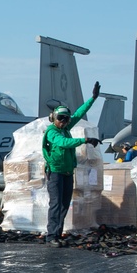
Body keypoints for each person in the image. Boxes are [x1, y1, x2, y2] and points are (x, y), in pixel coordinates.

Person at [41, 81, 101, 247]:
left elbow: (79, 113)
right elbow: (64, 143)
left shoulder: (65, 127)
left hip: (67, 172)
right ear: (54, 118)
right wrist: (85, 140)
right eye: (61, 118)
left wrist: (93, 99)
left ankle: (57, 233)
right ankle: (51, 236)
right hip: (55, 172)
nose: (64, 121)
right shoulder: (52, 132)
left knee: (64, 204)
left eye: (66, 119)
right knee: (55, 204)